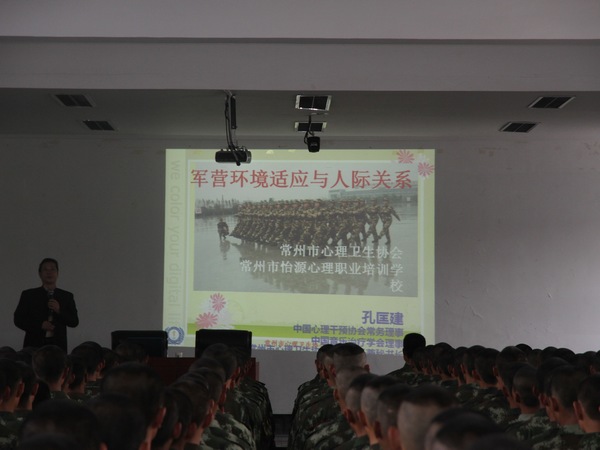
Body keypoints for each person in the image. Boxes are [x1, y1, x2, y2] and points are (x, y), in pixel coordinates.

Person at [14, 258, 79, 352]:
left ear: (57, 273)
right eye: (45, 269)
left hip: (58, 346)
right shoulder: (29, 295)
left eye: (52, 269)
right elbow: (18, 319)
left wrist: (59, 311)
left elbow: (74, 322)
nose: (49, 272)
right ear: (40, 274)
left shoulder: (66, 296)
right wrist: (40, 325)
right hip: (33, 346)